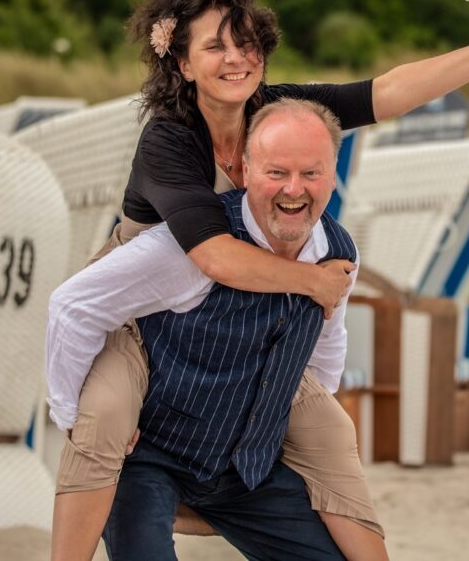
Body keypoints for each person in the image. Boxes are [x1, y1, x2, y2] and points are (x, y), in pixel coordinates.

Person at [47, 0, 469, 560]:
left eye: (246, 42)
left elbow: (386, 92)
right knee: (101, 416)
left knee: (328, 426)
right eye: (215, 46)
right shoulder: (170, 139)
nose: (236, 58)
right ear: (180, 62)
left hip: (227, 316)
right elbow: (213, 256)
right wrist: (316, 282)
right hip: (139, 312)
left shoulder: (275, 111)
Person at [49, 100, 360, 559]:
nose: (295, 187)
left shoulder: (337, 251)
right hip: (145, 417)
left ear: (333, 175)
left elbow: (327, 343)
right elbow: (73, 307)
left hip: (238, 461)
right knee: (107, 427)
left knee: (332, 436)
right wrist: (68, 414)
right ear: (246, 169)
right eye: (277, 172)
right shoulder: (173, 167)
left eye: (311, 173)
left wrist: (284, 419)